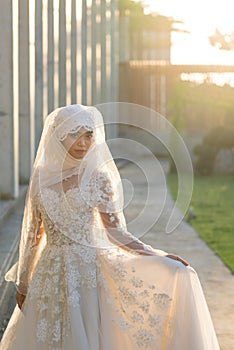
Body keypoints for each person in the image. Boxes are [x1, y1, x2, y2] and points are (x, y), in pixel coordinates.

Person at [0, 105, 220, 350]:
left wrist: (155, 254)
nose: (83, 143)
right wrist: (24, 282)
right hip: (49, 271)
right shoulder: (41, 176)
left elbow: (115, 233)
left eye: (89, 135)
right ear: (59, 135)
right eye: (75, 134)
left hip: (86, 272)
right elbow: (33, 233)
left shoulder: (97, 177)